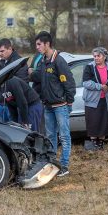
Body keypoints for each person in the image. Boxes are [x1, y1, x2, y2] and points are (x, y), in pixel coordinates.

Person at [28, 31, 75, 178]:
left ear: (47, 44)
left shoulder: (59, 61)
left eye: (39, 44)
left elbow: (69, 82)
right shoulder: (43, 61)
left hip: (61, 105)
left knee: (65, 136)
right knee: (50, 136)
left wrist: (69, 101)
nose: (37, 47)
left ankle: (65, 165)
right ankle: (53, 164)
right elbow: (38, 77)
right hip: (48, 106)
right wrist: (29, 71)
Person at [0, 63, 43, 132]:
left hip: (31, 105)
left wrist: (25, 121)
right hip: (22, 107)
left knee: (30, 132)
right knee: (20, 130)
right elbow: (10, 103)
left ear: (0, 73)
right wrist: (15, 122)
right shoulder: (0, 86)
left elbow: (22, 102)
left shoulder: (11, 81)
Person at [82, 47, 108, 151]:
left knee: (102, 121)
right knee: (92, 122)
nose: (96, 58)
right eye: (94, 56)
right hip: (91, 100)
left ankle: (100, 143)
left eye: (98, 56)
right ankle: (93, 144)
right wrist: (101, 86)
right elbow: (86, 83)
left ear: (104, 57)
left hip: (104, 99)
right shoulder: (89, 67)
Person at [0, 38, 29, 122]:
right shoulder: (1, 63)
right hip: (1, 103)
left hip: (12, 105)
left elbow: (21, 83)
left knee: (13, 131)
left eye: (2, 51)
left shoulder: (19, 63)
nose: (0, 54)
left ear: (10, 48)